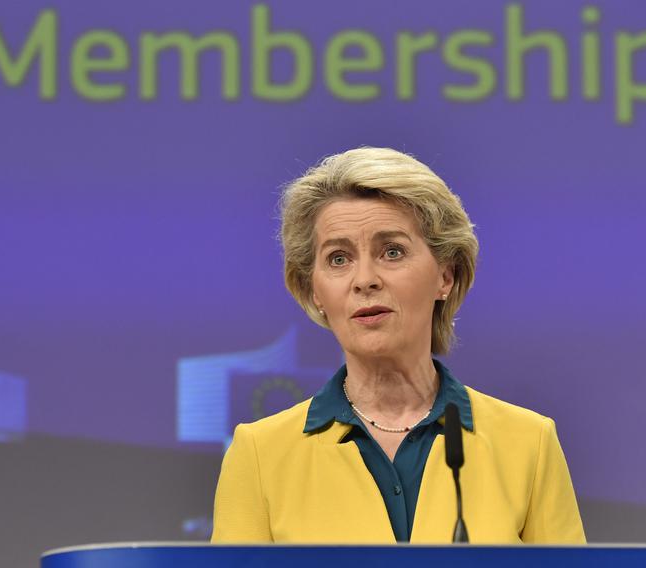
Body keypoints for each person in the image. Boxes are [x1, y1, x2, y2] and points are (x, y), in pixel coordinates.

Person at [211, 147, 585, 544]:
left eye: (392, 252)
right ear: (314, 290)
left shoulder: (529, 443)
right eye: (338, 258)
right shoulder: (260, 455)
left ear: (445, 275)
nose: (364, 279)